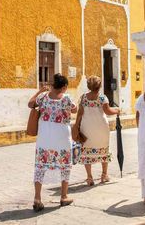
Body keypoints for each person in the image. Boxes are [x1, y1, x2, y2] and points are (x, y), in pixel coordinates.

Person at [28, 73, 77, 212]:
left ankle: (37, 198)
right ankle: (64, 196)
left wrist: (40, 91)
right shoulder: (66, 98)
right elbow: (75, 109)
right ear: (64, 86)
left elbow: (30, 104)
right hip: (62, 137)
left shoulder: (43, 97)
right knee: (65, 166)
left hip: (45, 138)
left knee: (40, 167)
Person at [73, 75, 119, 186]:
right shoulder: (102, 98)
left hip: (87, 128)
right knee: (104, 150)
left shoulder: (83, 97)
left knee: (86, 152)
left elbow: (80, 113)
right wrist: (117, 110)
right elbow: (107, 111)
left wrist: (76, 125)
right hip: (101, 128)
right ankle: (104, 175)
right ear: (99, 86)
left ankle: (89, 177)